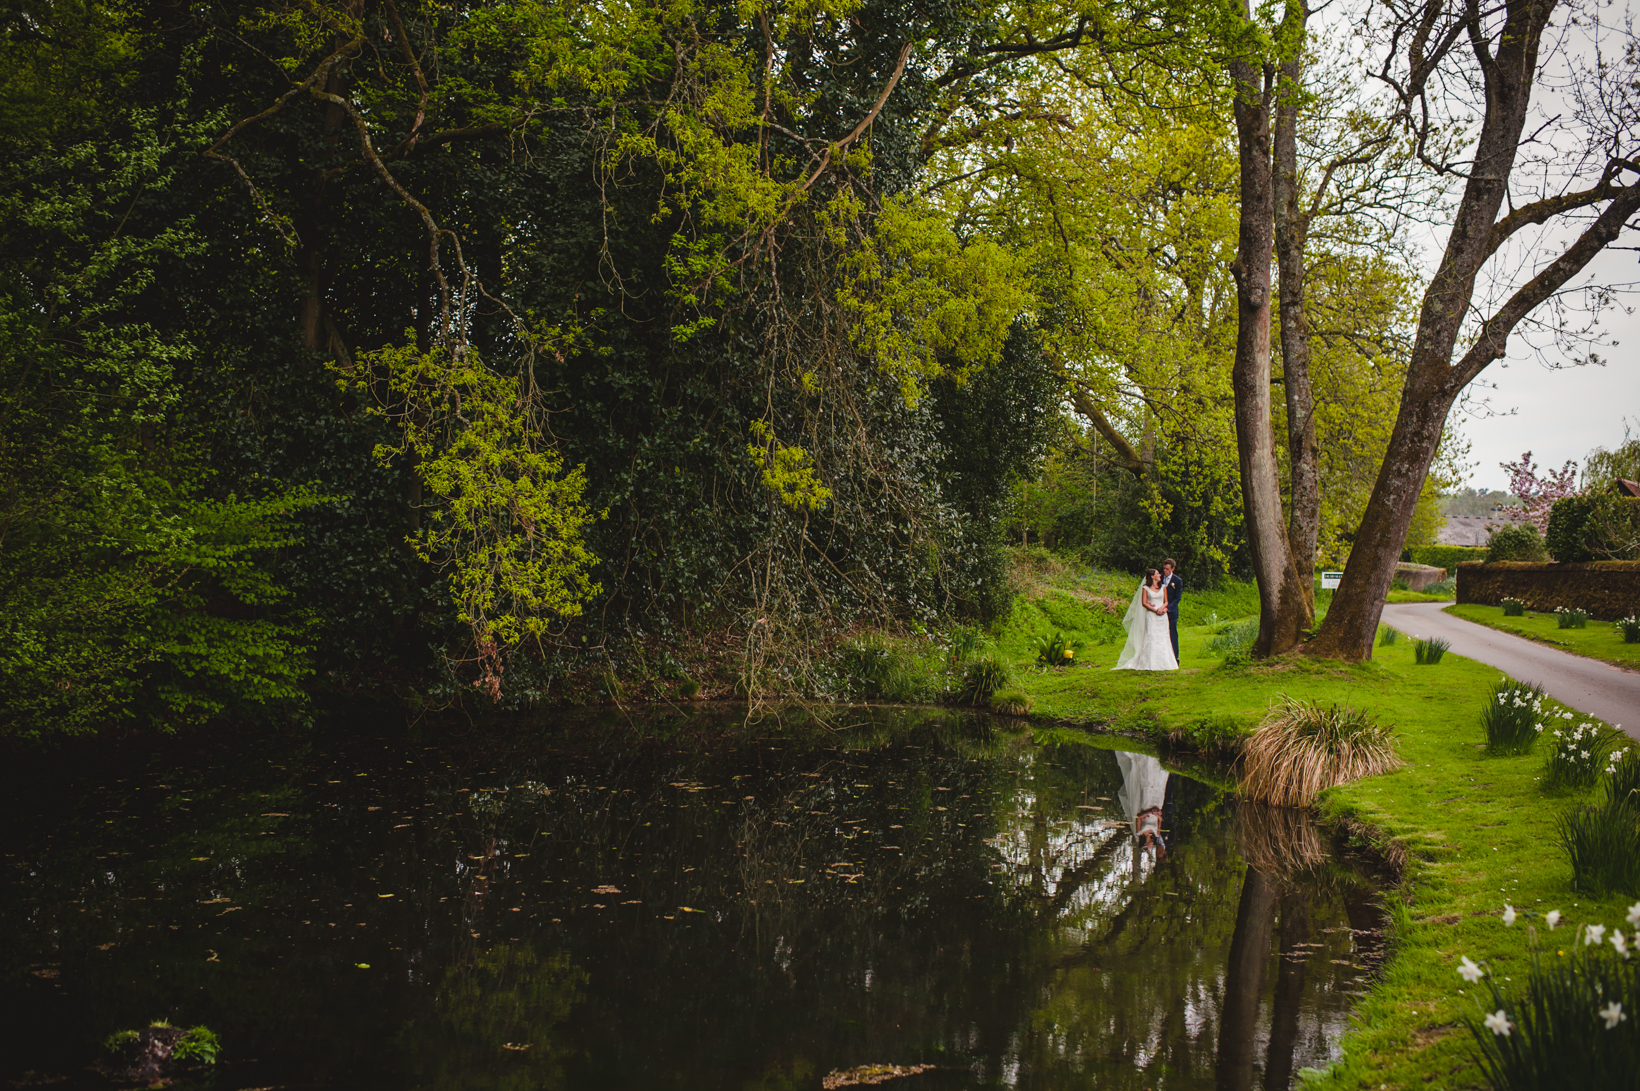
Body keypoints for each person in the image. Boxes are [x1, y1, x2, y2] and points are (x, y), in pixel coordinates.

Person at [1112, 568, 1179, 671]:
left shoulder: (1163, 587)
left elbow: (1166, 602)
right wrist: (1154, 609)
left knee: (1163, 637)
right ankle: (1150, 662)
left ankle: (1165, 662)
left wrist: (1161, 609)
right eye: (1157, 574)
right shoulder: (1146, 588)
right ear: (1152, 576)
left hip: (1162, 616)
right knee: (1151, 636)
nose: (1160, 575)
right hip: (1152, 615)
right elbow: (1144, 603)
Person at [1162, 558, 1182, 663]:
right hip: (1160, 612)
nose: (1165, 571)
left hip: (1171, 612)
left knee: (1173, 635)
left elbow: (1177, 598)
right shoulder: (1159, 578)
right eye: (1164, 569)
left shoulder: (1177, 581)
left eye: (1167, 569)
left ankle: (1175, 658)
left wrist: (1168, 608)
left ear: (1172, 569)